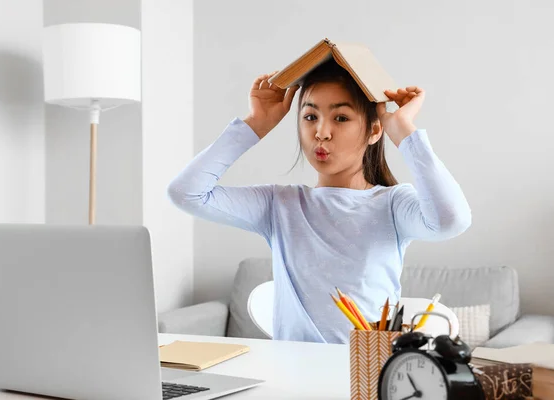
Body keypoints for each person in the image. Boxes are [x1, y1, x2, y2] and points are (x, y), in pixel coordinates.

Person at [167, 59, 471, 344]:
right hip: (290, 377)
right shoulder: (279, 205)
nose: (321, 133)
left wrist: (404, 130)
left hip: (362, 377)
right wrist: (256, 124)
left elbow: (451, 219)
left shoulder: (392, 204)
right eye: (310, 117)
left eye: (340, 117)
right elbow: (186, 193)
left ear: (374, 130)